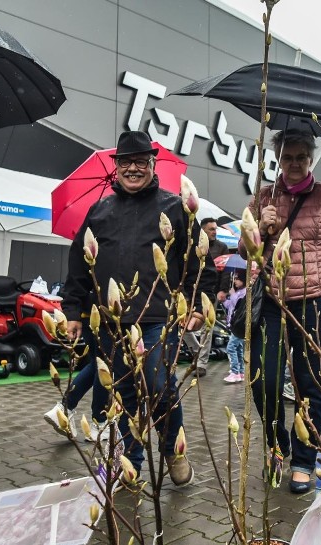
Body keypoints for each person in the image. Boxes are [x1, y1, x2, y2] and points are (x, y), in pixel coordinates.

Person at [60, 130, 216, 486]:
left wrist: (195, 305)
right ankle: (131, 462)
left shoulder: (174, 207)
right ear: (116, 167)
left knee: (160, 385)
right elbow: (78, 266)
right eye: (125, 162)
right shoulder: (99, 211)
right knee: (124, 394)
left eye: (140, 162)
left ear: (152, 164)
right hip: (112, 322)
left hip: (158, 317)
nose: (132, 169)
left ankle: (173, 452)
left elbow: (198, 261)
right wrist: (72, 312)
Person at [240, 129, 321, 494]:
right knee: (264, 378)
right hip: (273, 302)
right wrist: (260, 228)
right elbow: (246, 254)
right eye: (287, 157)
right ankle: (279, 443)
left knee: (311, 383)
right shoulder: (264, 196)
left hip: (317, 301)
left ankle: (305, 459)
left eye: (301, 157)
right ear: (278, 158)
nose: (293, 164)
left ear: (310, 159)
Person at [43, 303, 110, 443]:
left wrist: (73, 315)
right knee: (104, 366)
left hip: (88, 315)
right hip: (103, 316)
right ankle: (99, 423)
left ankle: (64, 408)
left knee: (97, 364)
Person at [182, 217, 230, 377]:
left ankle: (201, 363)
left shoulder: (221, 247)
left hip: (211, 294)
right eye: (211, 229)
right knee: (184, 327)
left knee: (207, 329)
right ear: (202, 230)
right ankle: (198, 352)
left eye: (215, 229)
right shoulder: (191, 244)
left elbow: (226, 271)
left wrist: (223, 290)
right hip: (189, 293)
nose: (215, 232)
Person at [222, 270, 247, 383]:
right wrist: (224, 301)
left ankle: (234, 372)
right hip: (234, 325)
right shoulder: (238, 292)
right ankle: (241, 372)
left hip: (239, 325)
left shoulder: (244, 292)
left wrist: (232, 295)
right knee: (238, 348)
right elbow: (231, 306)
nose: (235, 281)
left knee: (231, 347)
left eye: (237, 279)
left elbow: (239, 304)